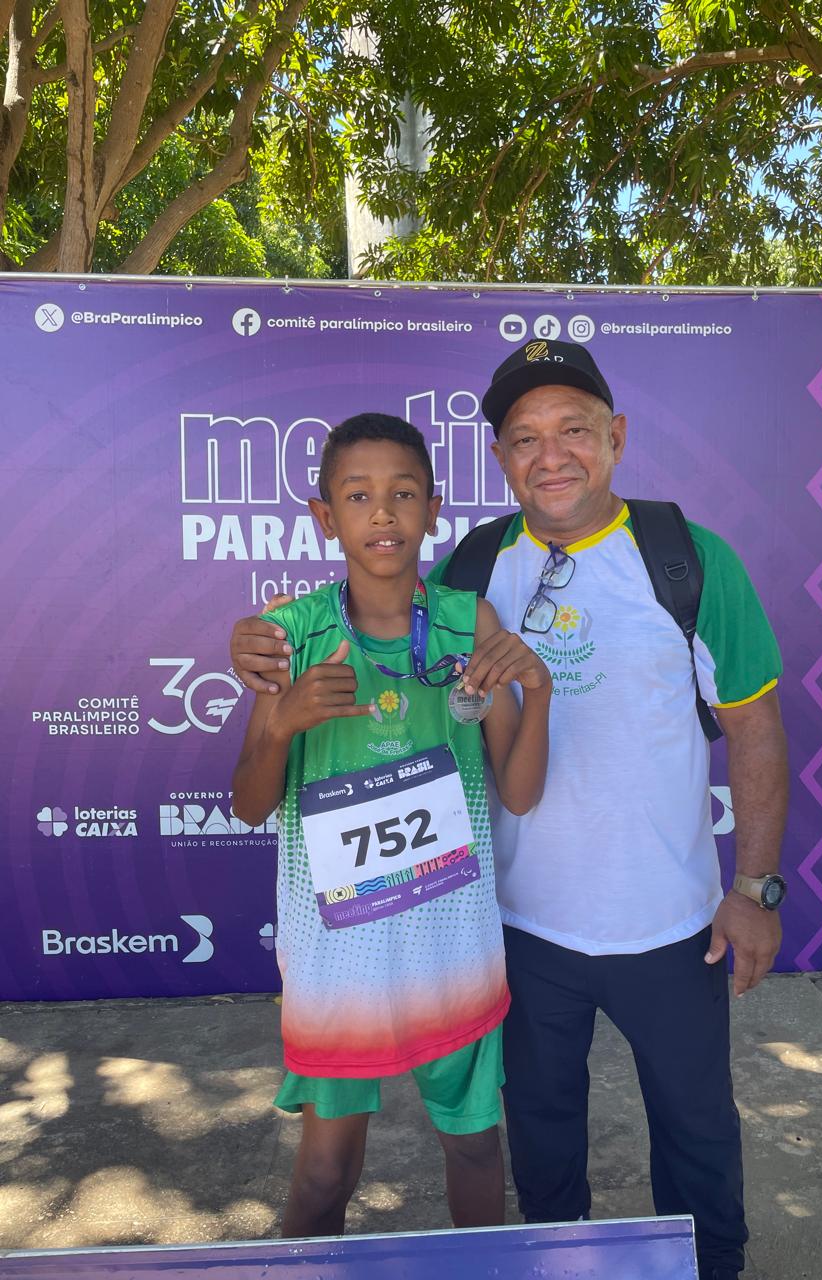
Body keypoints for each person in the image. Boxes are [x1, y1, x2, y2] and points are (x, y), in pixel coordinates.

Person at [230, 344, 788, 1280]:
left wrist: (756, 887)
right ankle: (550, 1266)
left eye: (574, 429)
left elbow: (757, 727)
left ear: (616, 437)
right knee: (539, 1145)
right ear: (500, 459)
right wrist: (259, 644)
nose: (552, 454)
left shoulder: (688, 561)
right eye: (526, 438)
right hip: (515, 931)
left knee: (696, 1135)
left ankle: (713, 1270)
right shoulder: (475, 569)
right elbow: (366, 621)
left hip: (670, 927)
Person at [231, 412, 551, 1238]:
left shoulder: (468, 622)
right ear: (324, 516)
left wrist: (538, 692)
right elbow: (250, 803)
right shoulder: (292, 634)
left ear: (433, 510)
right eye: (358, 495)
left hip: (453, 945)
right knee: (325, 1172)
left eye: (404, 494)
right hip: (340, 958)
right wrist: (282, 722)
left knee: (476, 1151)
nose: (383, 513)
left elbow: (518, 795)